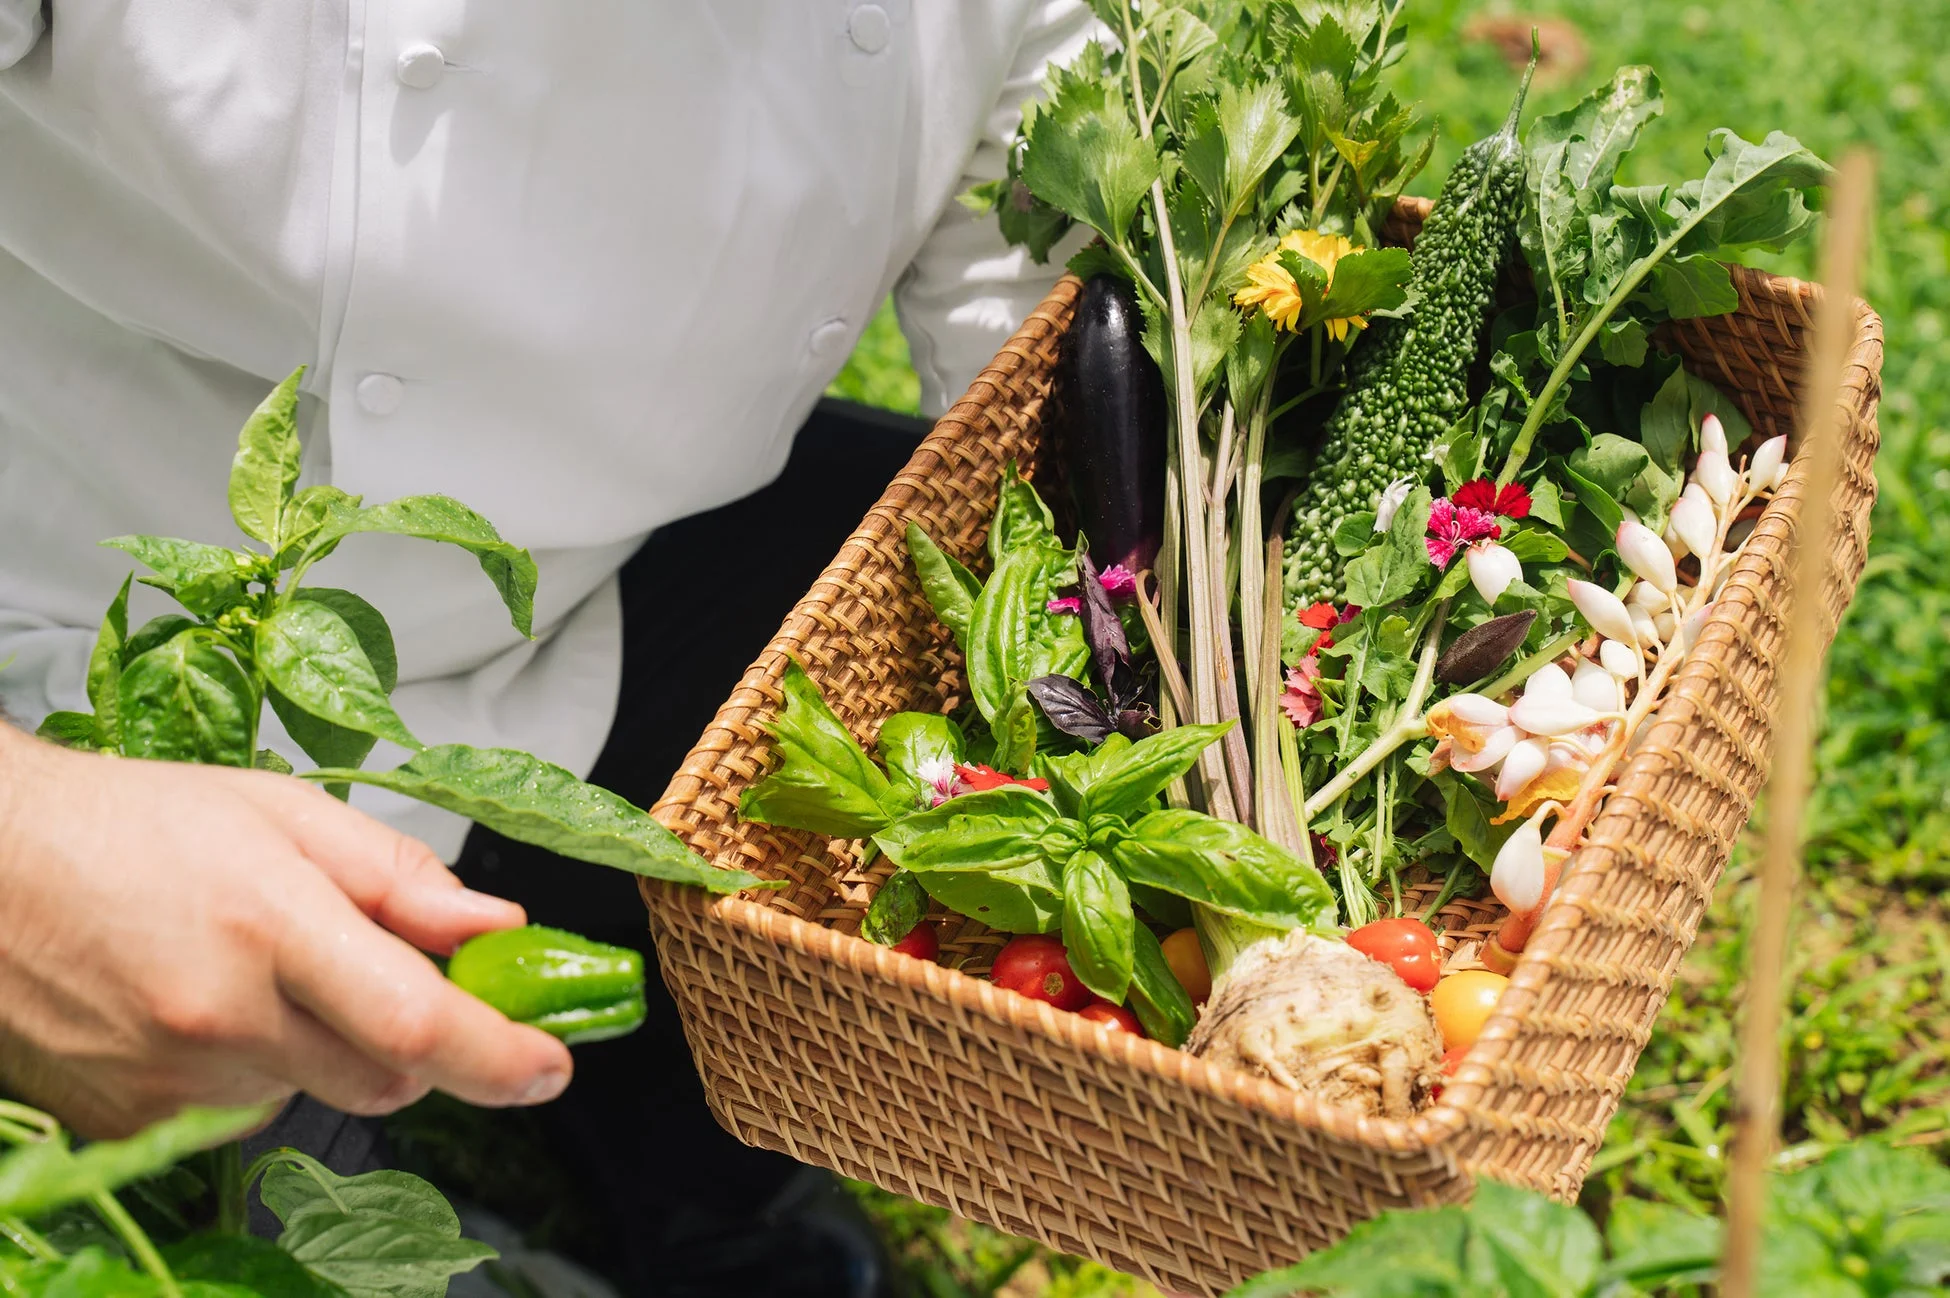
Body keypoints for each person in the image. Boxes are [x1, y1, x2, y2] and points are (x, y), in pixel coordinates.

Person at [0, 4, 1094, 1292]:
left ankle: (702, 1161)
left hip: (576, 587)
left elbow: (1042, 400)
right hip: (69, 605)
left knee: (871, 571)